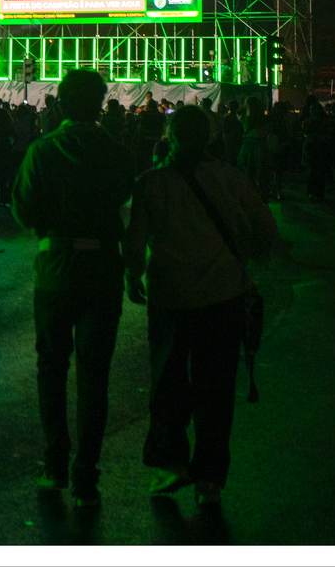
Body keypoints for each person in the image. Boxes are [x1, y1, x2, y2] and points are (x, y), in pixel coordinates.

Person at [124, 105, 278, 511]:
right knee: (216, 387)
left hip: (170, 298)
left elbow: (135, 241)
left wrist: (133, 275)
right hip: (223, 297)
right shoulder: (230, 178)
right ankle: (209, 475)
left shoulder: (151, 183)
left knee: (168, 383)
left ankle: (171, 462)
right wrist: (245, 255)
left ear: (169, 136)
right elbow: (265, 227)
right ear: (210, 137)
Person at [11, 68, 138, 508]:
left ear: (61, 104)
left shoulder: (43, 151)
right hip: (103, 270)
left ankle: (55, 463)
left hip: (56, 269)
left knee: (52, 368)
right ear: (101, 104)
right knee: (94, 375)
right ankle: (87, 474)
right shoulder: (118, 154)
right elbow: (124, 196)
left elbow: (23, 211)